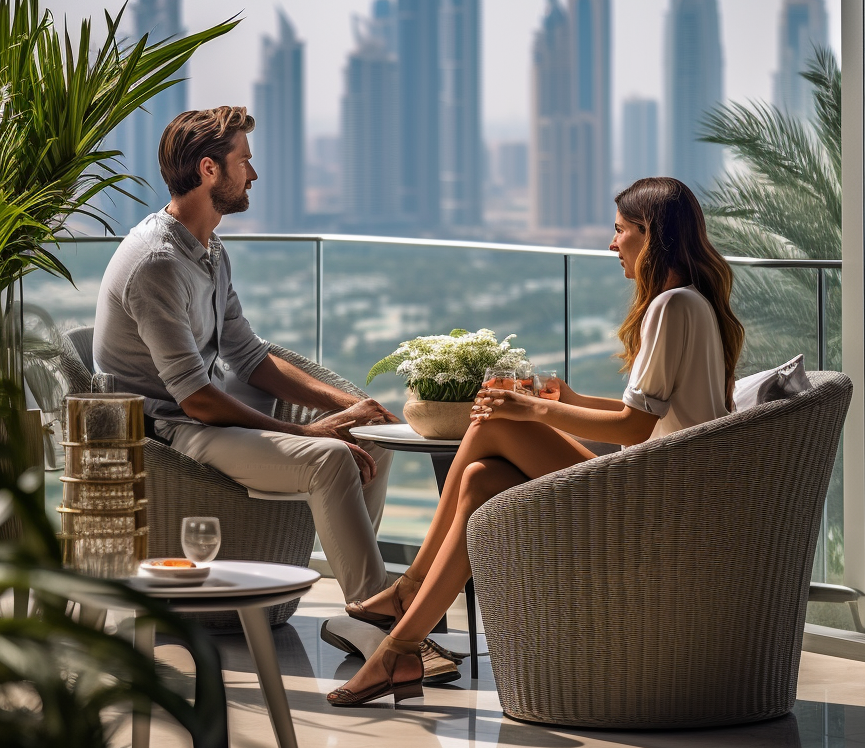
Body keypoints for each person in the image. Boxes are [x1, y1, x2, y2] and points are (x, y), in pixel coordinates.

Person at [327, 176, 745, 707]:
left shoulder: (672, 306)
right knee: (480, 479)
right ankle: (402, 646)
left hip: (651, 501)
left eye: (619, 231)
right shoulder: (694, 303)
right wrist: (572, 398)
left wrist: (535, 407)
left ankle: (409, 587)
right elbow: (646, 414)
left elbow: (636, 430)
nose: (611, 244)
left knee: (496, 421)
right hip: (659, 486)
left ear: (649, 232)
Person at [94, 105, 398, 602]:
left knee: (372, 438)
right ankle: (375, 609)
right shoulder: (157, 265)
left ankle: (365, 593)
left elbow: (250, 356)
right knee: (330, 459)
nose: (253, 174)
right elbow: (195, 400)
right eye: (244, 161)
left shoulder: (208, 250)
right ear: (208, 169)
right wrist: (307, 432)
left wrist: (347, 406)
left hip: (203, 420)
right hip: (168, 434)